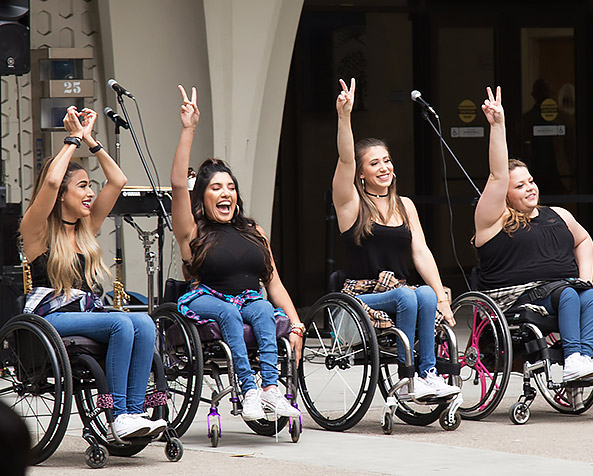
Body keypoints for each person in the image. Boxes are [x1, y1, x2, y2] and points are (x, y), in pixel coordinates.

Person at [19, 106, 167, 439]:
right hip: (49, 317)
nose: (90, 193)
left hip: (86, 312)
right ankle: (117, 414)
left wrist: (91, 140)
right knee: (119, 322)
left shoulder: (87, 227)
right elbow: (53, 179)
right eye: (83, 186)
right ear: (61, 196)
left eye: (90, 187)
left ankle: (132, 411)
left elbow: (118, 180)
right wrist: (71, 139)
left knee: (143, 321)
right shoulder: (37, 230)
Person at [170, 85, 302, 421]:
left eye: (230, 187)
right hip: (205, 297)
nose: (225, 192)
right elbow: (175, 185)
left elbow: (274, 283)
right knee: (229, 313)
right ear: (203, 196)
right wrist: (188, 129)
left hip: (247, 299)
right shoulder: (193, 231)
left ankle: (271, 389)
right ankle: (248, 390)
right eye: (216, 187)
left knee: (262, 310)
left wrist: (297, 324)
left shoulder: (253, 232)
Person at [473, 87, 593, 382]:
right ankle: (574, 359)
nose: (529, 187)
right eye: (520, 185)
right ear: (505, 195)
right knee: (566, 292)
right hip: (516, 298)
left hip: (559, 291)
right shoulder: (493, 220)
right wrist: (497, 126)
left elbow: (584, 240)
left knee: (591, 295)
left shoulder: (559, 214)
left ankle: (583, 358)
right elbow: (497, 176)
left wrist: (586, 277)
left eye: (531, 181)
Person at [334, 78, 460, 399]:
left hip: (401, 293)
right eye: (374, 163)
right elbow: (346, 160)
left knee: (427, 296)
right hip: (361, 298)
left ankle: (427, 373)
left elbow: (421, 252)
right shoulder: (351, 205)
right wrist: (345, 116)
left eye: (387, 160)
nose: (384, 167)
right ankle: (407, 378)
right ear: (361, 174)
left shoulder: (405, 206)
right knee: (409, 296)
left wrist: (443, 300)